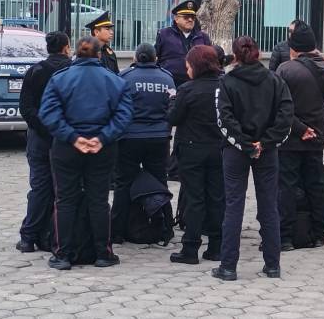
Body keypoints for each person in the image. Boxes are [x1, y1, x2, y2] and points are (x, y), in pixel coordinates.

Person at [39, 36, 133, 270]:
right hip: (102, 148)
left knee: (65, 201)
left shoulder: (59, 79)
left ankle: (63, 254)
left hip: (66, 148)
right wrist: (102, 138)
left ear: (75, 54)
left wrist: (73, 137)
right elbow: (124, 115)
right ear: (100, 54)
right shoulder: (114, 81)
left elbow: (48, 113)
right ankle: (103, 253)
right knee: (99, 200)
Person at [213, 36, 293, 281]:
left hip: (236, 152)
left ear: (235, 55)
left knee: (234, 206)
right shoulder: (275, 80)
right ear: (259, 53)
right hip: (266, 151)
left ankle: (228, 266)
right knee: (269, 206)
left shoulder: (226, 82)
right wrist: (265, 142)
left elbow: (223, 118)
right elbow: (286, 115)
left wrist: (245, 144)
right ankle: (272, 265)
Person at [275, 22, 324, 250]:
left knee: (287, 185)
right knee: (315, 181)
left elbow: (281, 107)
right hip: (318, 131)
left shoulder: (286, 70)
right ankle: (318, 232)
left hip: (292, 135)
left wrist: (300, 129)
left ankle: (286, 235)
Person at [111, 43, 175, 244]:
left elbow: (116, 106)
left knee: (123, 183)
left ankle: (116, 232)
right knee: (159, 181)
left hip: (130, 138)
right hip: (158, 138)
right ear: (156, 58)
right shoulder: (167, 78)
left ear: (135, 58)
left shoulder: (125, 78)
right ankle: (165, 227)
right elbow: (172, 106)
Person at [167, 45, 225, 264]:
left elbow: (173, 118)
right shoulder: (224, 87)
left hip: (192, 150)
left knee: (194, 199)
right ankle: (217, 247)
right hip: (218, 149)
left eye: (188, 65)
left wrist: (171, 100)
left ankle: (190, 249)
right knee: (217, 198)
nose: (186, 69)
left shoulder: (187, 90)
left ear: (196, 66)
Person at [16, 31, 72, 253]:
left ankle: (29, 237)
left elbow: (26, 108)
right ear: (66, 48)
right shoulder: (72, 71)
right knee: (65, 189)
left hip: (40, 138)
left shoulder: (35, 71)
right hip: (66, 138)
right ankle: (56, 236)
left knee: (39, 187)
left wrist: (43, 127)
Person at [155, 0, 212, 87]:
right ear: (176, 19)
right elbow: (155, 58)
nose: (190, 20)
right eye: (186, 17)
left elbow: (210, 61)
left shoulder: (203, 37)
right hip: (170, 83)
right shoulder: (164, 34)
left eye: (193, 17)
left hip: (196, 84)